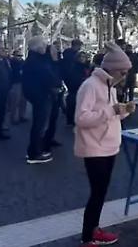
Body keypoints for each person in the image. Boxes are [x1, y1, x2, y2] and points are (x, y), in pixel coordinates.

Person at [73, 43, 134, 247]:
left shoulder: (109, 86)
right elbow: (81, 118)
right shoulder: (90, 86)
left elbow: (110, 116)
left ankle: (94, 230)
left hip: (108, 146)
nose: (126, 76)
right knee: (96, 194)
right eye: (124, 72)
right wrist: (112, 111)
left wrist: (123, 111)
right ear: (112, 69)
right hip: (94, 148)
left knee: (101, 192)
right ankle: (86, 242)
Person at [22, 36, 58, 164]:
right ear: (37, 48)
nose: (46, 47)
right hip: (41, 96)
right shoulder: (36, 61)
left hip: (40, 95)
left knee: (40, 124)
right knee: (40, 125)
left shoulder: (35, 60)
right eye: (44, 45)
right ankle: (34, 153)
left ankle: (36, 150)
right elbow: (48, 77)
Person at [62, 46, 89, 128]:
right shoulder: (74, 67)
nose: (82, 58)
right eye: (80, 57)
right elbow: (71, 78)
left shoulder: (88, 66)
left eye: (84, 57)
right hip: (75, 89)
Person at [8, 49, 27, 124]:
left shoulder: (23, 62)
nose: (20, 57)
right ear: (14, 55)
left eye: (21, 55)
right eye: (18, 55)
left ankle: (22, 116)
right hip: (15, 83)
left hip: (23, 82)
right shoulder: (11, 62)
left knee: (23, 101)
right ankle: (13, 118)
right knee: (15, 101)